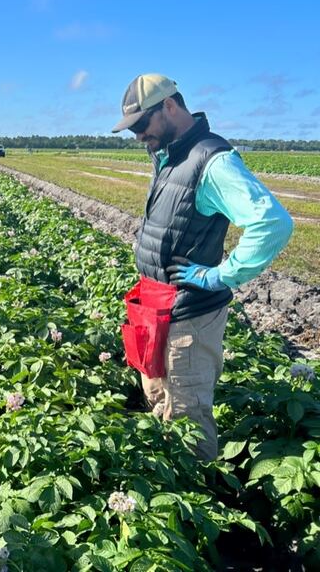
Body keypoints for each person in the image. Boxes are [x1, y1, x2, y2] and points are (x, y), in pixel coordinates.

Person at [112, 74, 293, 460]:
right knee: (160, 398)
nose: (138, 136)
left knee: (188, 418)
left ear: (170, 107)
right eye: (133, 130)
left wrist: (219, 275)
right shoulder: (170, 154)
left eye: (142, 125)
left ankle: (196, 505)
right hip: (157, 308)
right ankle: (169, 484)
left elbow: (272, 222)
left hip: (189, 315)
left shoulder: (212, 161)